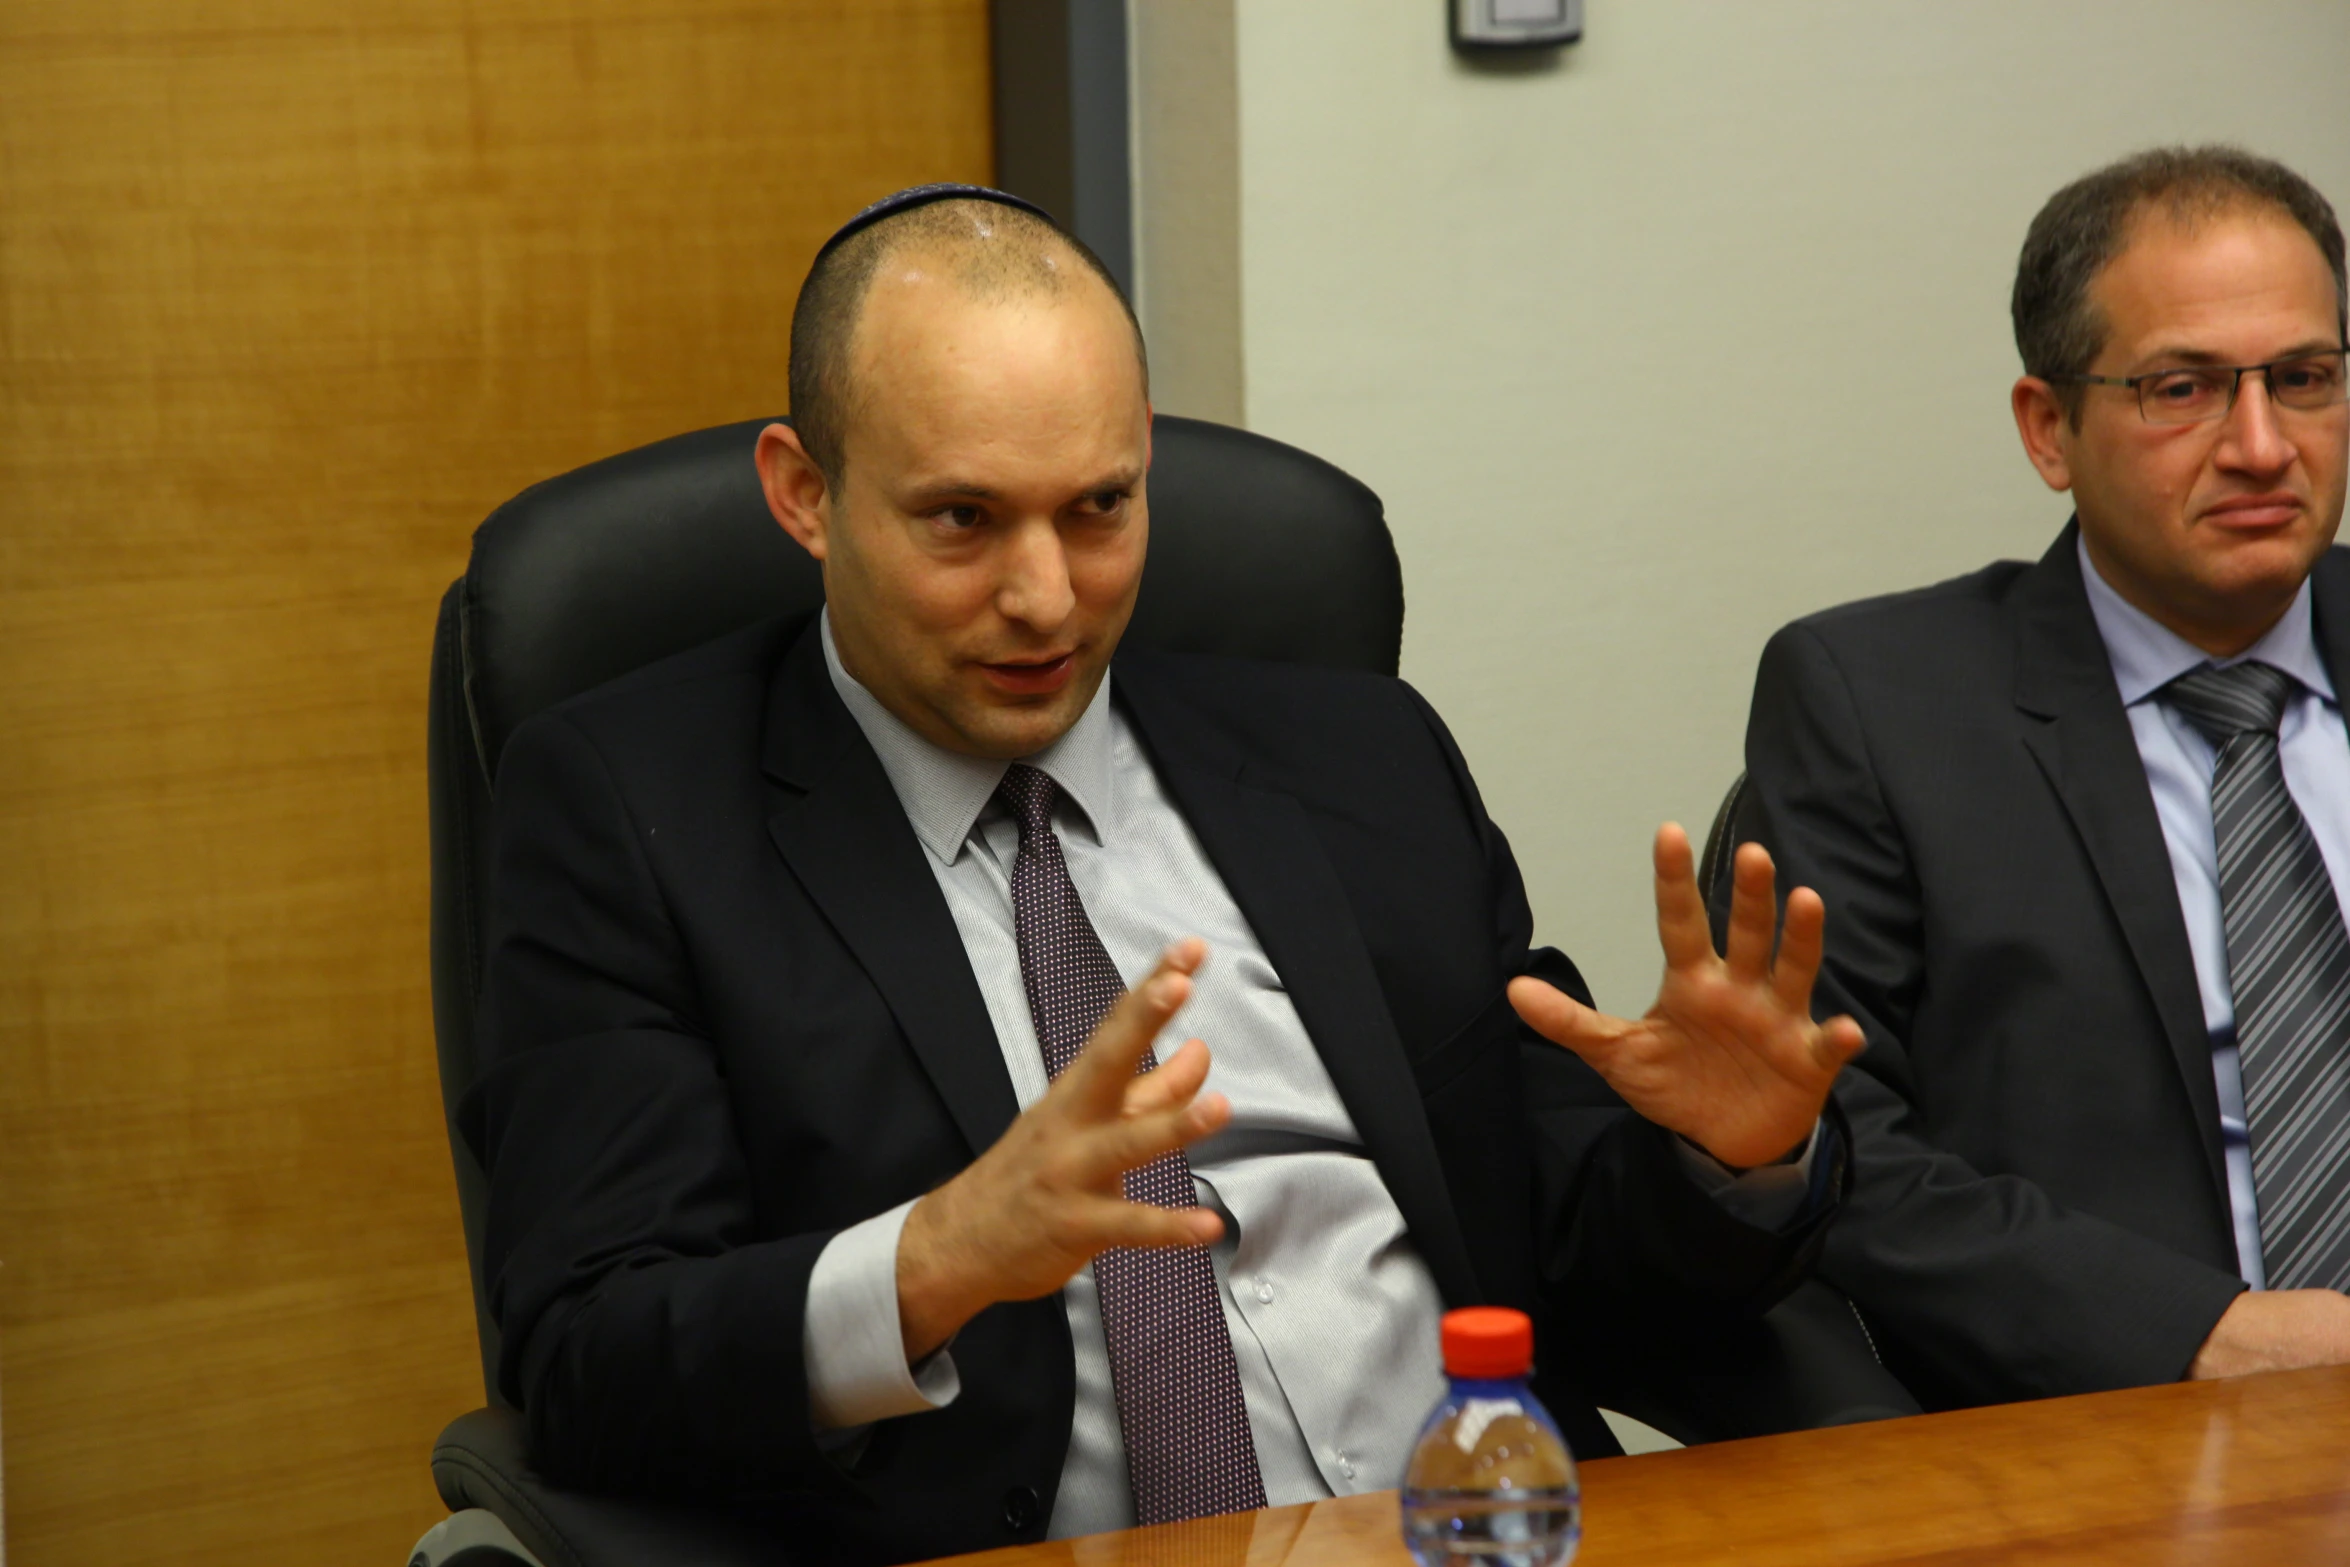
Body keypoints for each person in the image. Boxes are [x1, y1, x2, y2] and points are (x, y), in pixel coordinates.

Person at [466, 184, 1862, 1560]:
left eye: (1096, 506)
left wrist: (1724, 1160)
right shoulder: (630, 812)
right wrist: (937, 1255)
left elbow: (1571, 1255)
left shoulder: (1359, 756)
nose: (1045, 597)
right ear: (803, 493)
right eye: (961, 519)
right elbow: (589, 1358)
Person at [1724, 146, 2350, 1413]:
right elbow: (1836, 1142)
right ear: (2047, 429)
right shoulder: (1876, 703)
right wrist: (2208, 1332)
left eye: (2303, 379)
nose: (2259, 443)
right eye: (2181, 388)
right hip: (2120, 1425)